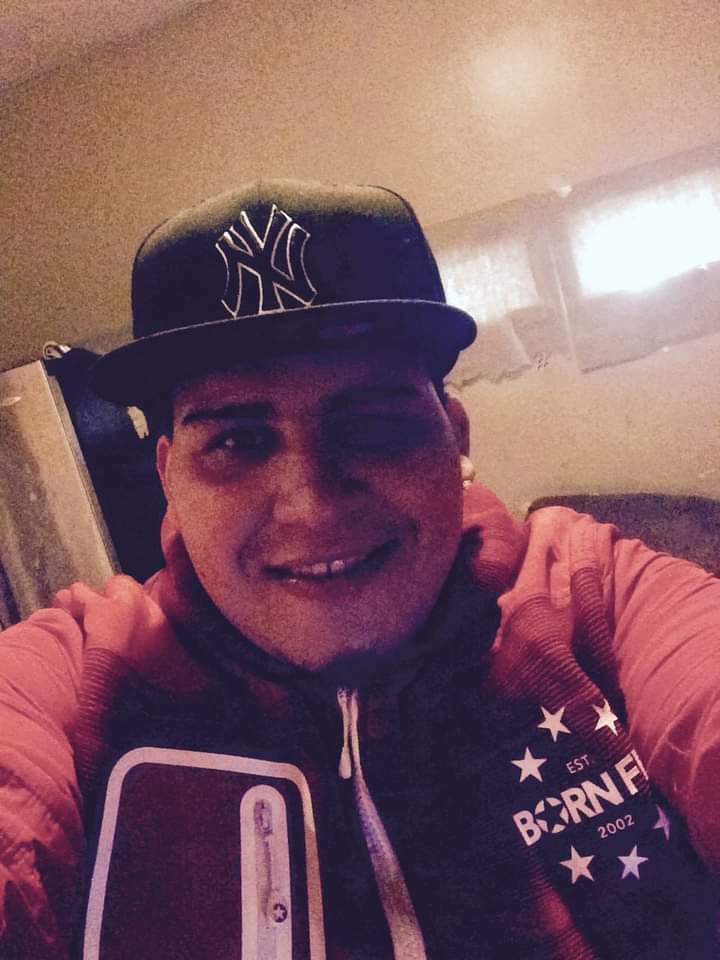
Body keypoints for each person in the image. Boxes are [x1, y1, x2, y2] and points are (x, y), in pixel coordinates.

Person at [0, 179, 718, 960]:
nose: (312, 506)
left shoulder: (594, 593)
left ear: (454, 436)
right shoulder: (81, 676)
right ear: (169, 475)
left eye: (373, 423)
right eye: (237, 442)